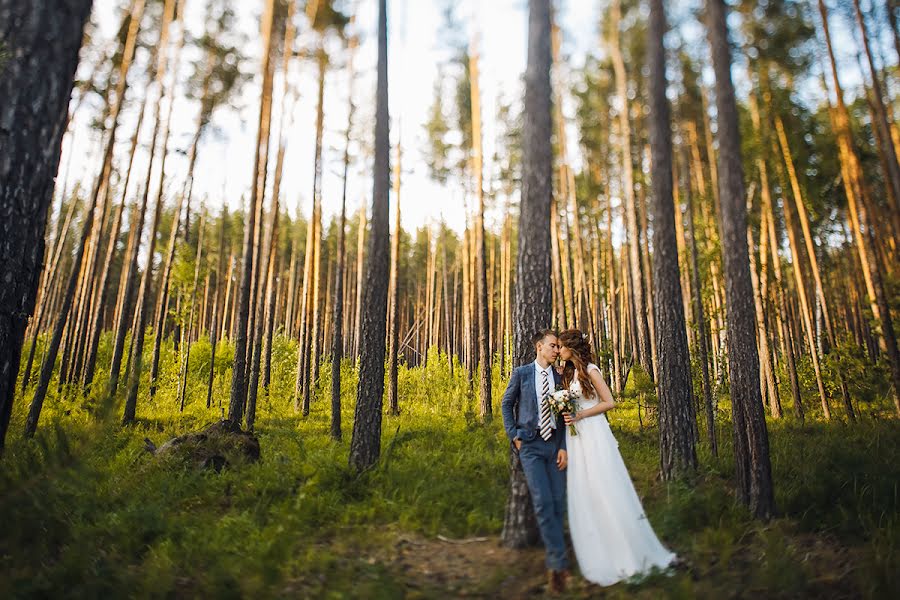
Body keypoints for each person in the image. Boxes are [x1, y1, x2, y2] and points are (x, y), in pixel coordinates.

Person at [557, 328, 676, 586]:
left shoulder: (591, 370)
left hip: (594, 432)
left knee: (604, 486)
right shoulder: (568, 372)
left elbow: (609, 402)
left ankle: (626, 551)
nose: (558, 349)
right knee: (586, 488)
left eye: (561, 345)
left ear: (571, 347)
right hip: (576, 437)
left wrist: (580, 416)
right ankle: (597, 545)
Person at [500, 329, 570, 594]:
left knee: (557, 502)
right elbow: (507, 404)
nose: (556, 350)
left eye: (558, 347)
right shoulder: (522, 373)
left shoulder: (560, 377)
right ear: (540, 347)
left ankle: (559, 555)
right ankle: (557, 566)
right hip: (529, 446)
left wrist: (563, 446)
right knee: (542, 503)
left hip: (554, 447)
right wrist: (514, 437)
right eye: (553, 345)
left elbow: (565, 414)